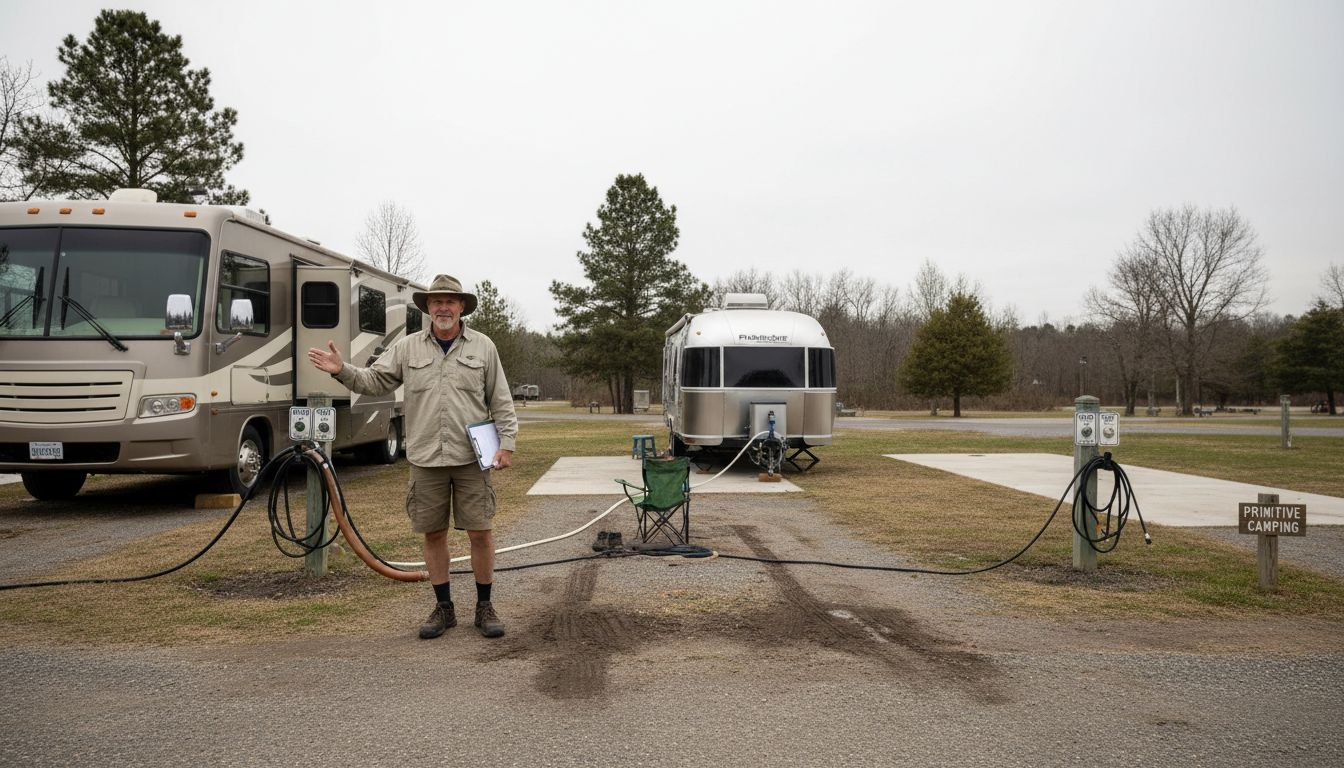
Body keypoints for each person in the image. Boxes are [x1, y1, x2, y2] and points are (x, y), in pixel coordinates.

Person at [307, 274, 518, 639]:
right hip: (425, 459)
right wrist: (342, 370)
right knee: (433, 534)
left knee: (481, 533)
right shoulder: (407, 348)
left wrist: (507, 443)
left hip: (472, 458)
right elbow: (375, 381)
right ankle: (444, 607)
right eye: (436, 302)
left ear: (462, 307)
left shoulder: (484, 348)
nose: (443, 308)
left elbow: (500, 399)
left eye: (450, 301)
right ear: (428, 308)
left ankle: (484, 606)